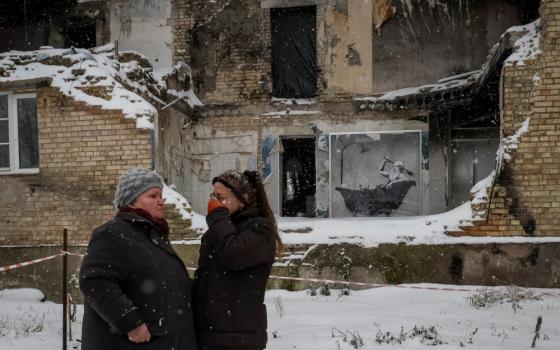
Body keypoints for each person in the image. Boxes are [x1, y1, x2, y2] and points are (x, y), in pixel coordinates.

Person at [79, 167, 197, 350]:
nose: (161, 201)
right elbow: (94, 280)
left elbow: (167, 285)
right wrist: (130, 322)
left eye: (161, 196)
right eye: (153, 196)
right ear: (131, 202)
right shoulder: (113, 233)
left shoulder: (152, 238)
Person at [193, 170, 282, 350]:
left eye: (221, 197)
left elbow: (233, 255)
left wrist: (218, 216)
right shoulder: (221, 229)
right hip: (211, 333)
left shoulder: (260, 229)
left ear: (243, 199)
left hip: (239, 336)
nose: (213, 202)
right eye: (212, 195)